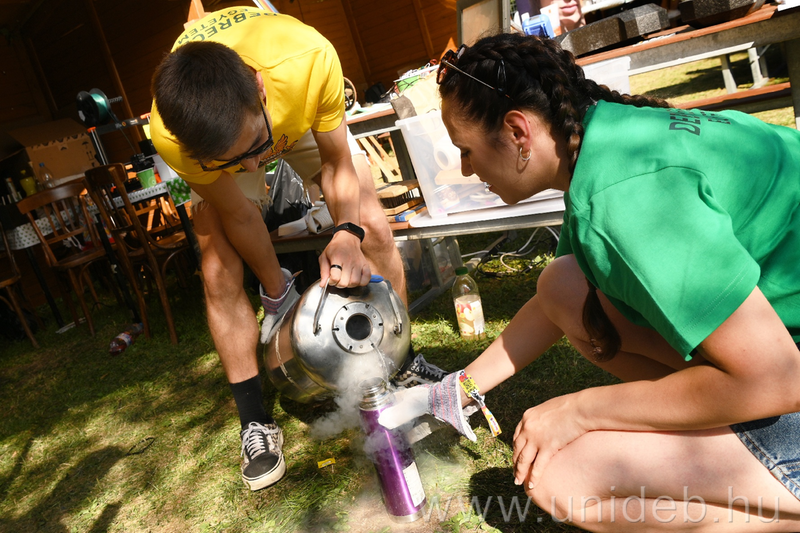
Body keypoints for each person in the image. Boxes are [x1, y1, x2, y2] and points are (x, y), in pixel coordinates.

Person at [381, 33, 800, 530]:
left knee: (561, 477)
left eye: (466, 151)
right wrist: (456, 389)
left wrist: (580, 410)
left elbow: (777, 380)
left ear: (517, 131)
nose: (467, 169)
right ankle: (719, 415)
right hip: (775, 350)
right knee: (563, 284)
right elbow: (556, 299)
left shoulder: (630, 199)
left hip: (780, 374)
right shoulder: (609, 142)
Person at [149, 7, 446, 492]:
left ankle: (399, 363)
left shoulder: (309, 59)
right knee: (217, 265)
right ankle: (254, 422)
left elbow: (336, 161)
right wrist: (277, 295)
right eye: (236, 160)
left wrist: (346, 233)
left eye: (256, 149)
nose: (256, 169)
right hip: (232, 139)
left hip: (295, 119)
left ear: (260, 87)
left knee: (373, 224)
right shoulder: (171, 134)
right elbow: (241, 214)